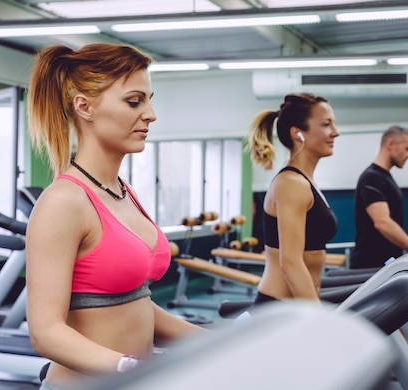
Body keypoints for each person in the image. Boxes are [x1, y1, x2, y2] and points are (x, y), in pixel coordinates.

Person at [25, 43, 203, 389]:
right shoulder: (64, 202)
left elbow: (136, 304)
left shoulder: (124, 191)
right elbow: (45, 333)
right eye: (134, 101)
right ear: (85, 107)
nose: (151, 114)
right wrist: (130, 368)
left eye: (150, 99)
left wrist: (215, 339)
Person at [245, 93, 340, 307]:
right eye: (326, 124)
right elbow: (290, 264)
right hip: (280, 308)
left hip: (295, 306)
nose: (336, 132)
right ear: (298, 133)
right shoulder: (291, 184)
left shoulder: (305, 182)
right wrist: (318, 318)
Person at [349, 125, 408, 269]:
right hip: (370, 267)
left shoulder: (383, 177)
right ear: (390, 144)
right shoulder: (372, 178)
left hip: (386, 265)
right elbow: (382, 223)